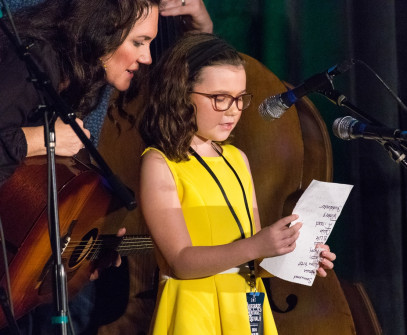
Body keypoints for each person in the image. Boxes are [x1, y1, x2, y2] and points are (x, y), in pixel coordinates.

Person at [138, 33, 336, 334]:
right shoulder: (159, 163)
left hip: (246, 306)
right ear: (180, 93)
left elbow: (252, 256)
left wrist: (296, 254)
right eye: (220, 98)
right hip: (195, 308)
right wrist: (258, 244)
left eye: (240, 97)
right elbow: (181, 260)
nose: (234, 109)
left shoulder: (237, 158)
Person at [0, 0, 160, 333]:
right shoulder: (36, 57)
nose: (147, 57)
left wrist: (84, 237)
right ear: (103, 32)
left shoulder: (81, 78)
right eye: (139, 42)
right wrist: (46, 138)